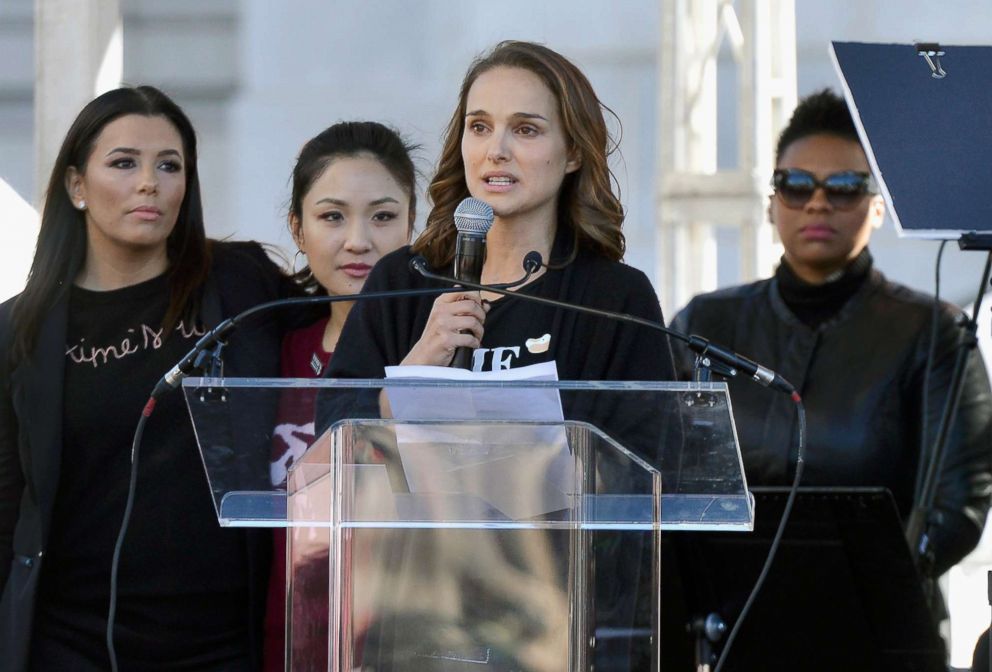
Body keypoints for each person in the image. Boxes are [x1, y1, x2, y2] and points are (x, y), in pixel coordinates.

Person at [320, 40, 679, 671]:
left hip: (553, 627)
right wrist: (420, 366)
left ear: (573, 154)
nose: (497, 150)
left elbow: (646, 479)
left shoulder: (611, 296)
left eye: (527, 129)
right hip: (412, 622)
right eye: (480, 127)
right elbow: (328, 449)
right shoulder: (402, 283)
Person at [670, 89, 992, 660]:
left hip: (878, 632)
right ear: (771, 202)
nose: (817, 203)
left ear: (877, 205)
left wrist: (852, 576)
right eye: (795, 184)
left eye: (843, 187)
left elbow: (960, 506)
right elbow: (661, 473)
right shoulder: (704, 322)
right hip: (730, 635)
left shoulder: (934, 331)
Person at [0, 85, 300, 671]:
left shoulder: (239, 283)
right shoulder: (20, 331)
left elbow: (338, 338)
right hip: (72, 640)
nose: (149, 183)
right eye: (123, 163)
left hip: (223, 641)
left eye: (170, 165)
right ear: (76, 186)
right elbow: (6, 500)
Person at [262, 121, 417, 671]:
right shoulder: (266, 356)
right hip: (283, 644)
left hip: (408, 643)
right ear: (297, 229)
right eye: (332, 216)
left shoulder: (441, 352)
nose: (359, 240)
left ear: (412, 226)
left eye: (382, 216)